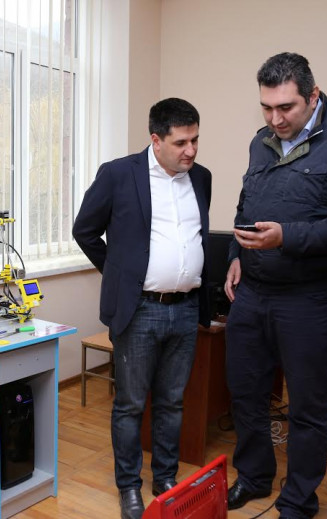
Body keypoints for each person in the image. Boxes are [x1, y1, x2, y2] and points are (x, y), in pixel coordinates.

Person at [223, 52, 327, 518]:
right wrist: (235, 257)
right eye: (267, 107)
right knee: (245, 392)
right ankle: (253, 477)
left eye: (285, 107)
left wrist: (285, 237)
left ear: (313, 95)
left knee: (307, 406)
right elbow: (245, 207)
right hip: (253, 292)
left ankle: (298, 499)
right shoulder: (260, 141)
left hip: (311, 298)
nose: (275, 118)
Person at [72, 97, 212, 519]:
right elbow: (85, 230)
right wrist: (121, 275)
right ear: (156, 139)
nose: (191, 150)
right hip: (140, 311)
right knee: (131, 404)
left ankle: (165, 478)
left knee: (172, 401)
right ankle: (129, 486)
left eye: (195, 140)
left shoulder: (201, 177)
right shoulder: (119, 174)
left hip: (186, 309)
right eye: (181, 142)